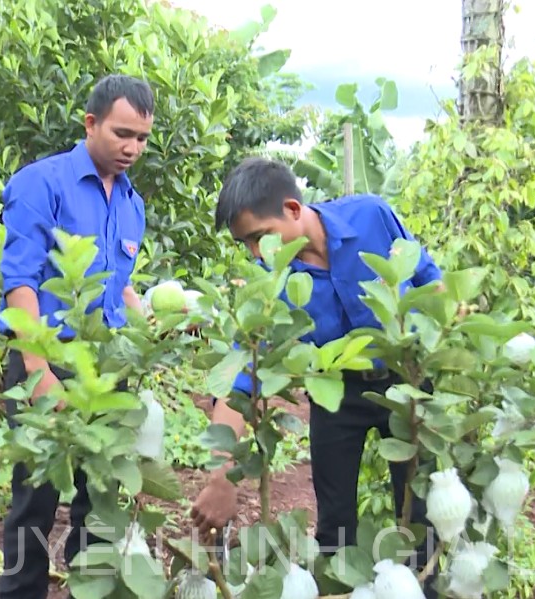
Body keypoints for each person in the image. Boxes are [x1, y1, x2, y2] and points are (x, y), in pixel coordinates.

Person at [190, 157, 444, 596]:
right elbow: (241, 378)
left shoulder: (371, 217)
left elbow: (427, 279)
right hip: (334, 394)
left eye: (259, 237)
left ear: (292, 209)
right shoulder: (272, 283)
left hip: (405, 381)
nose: (256, 253)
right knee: (334, 522)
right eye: (245, 244)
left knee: (421, 512)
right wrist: (220, 477)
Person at [0, 74, 155, 599]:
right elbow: (21, 282)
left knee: (100, 499)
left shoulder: (131, 203)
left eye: (142, 138)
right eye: (122, 133)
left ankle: (91, 589)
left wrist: (147, 330)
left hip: (105, 371)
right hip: (47, 358)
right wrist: (38, 370)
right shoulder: (41, 184)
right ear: (90, 123)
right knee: (35, 499)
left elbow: (120, 286)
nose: (132, 148)